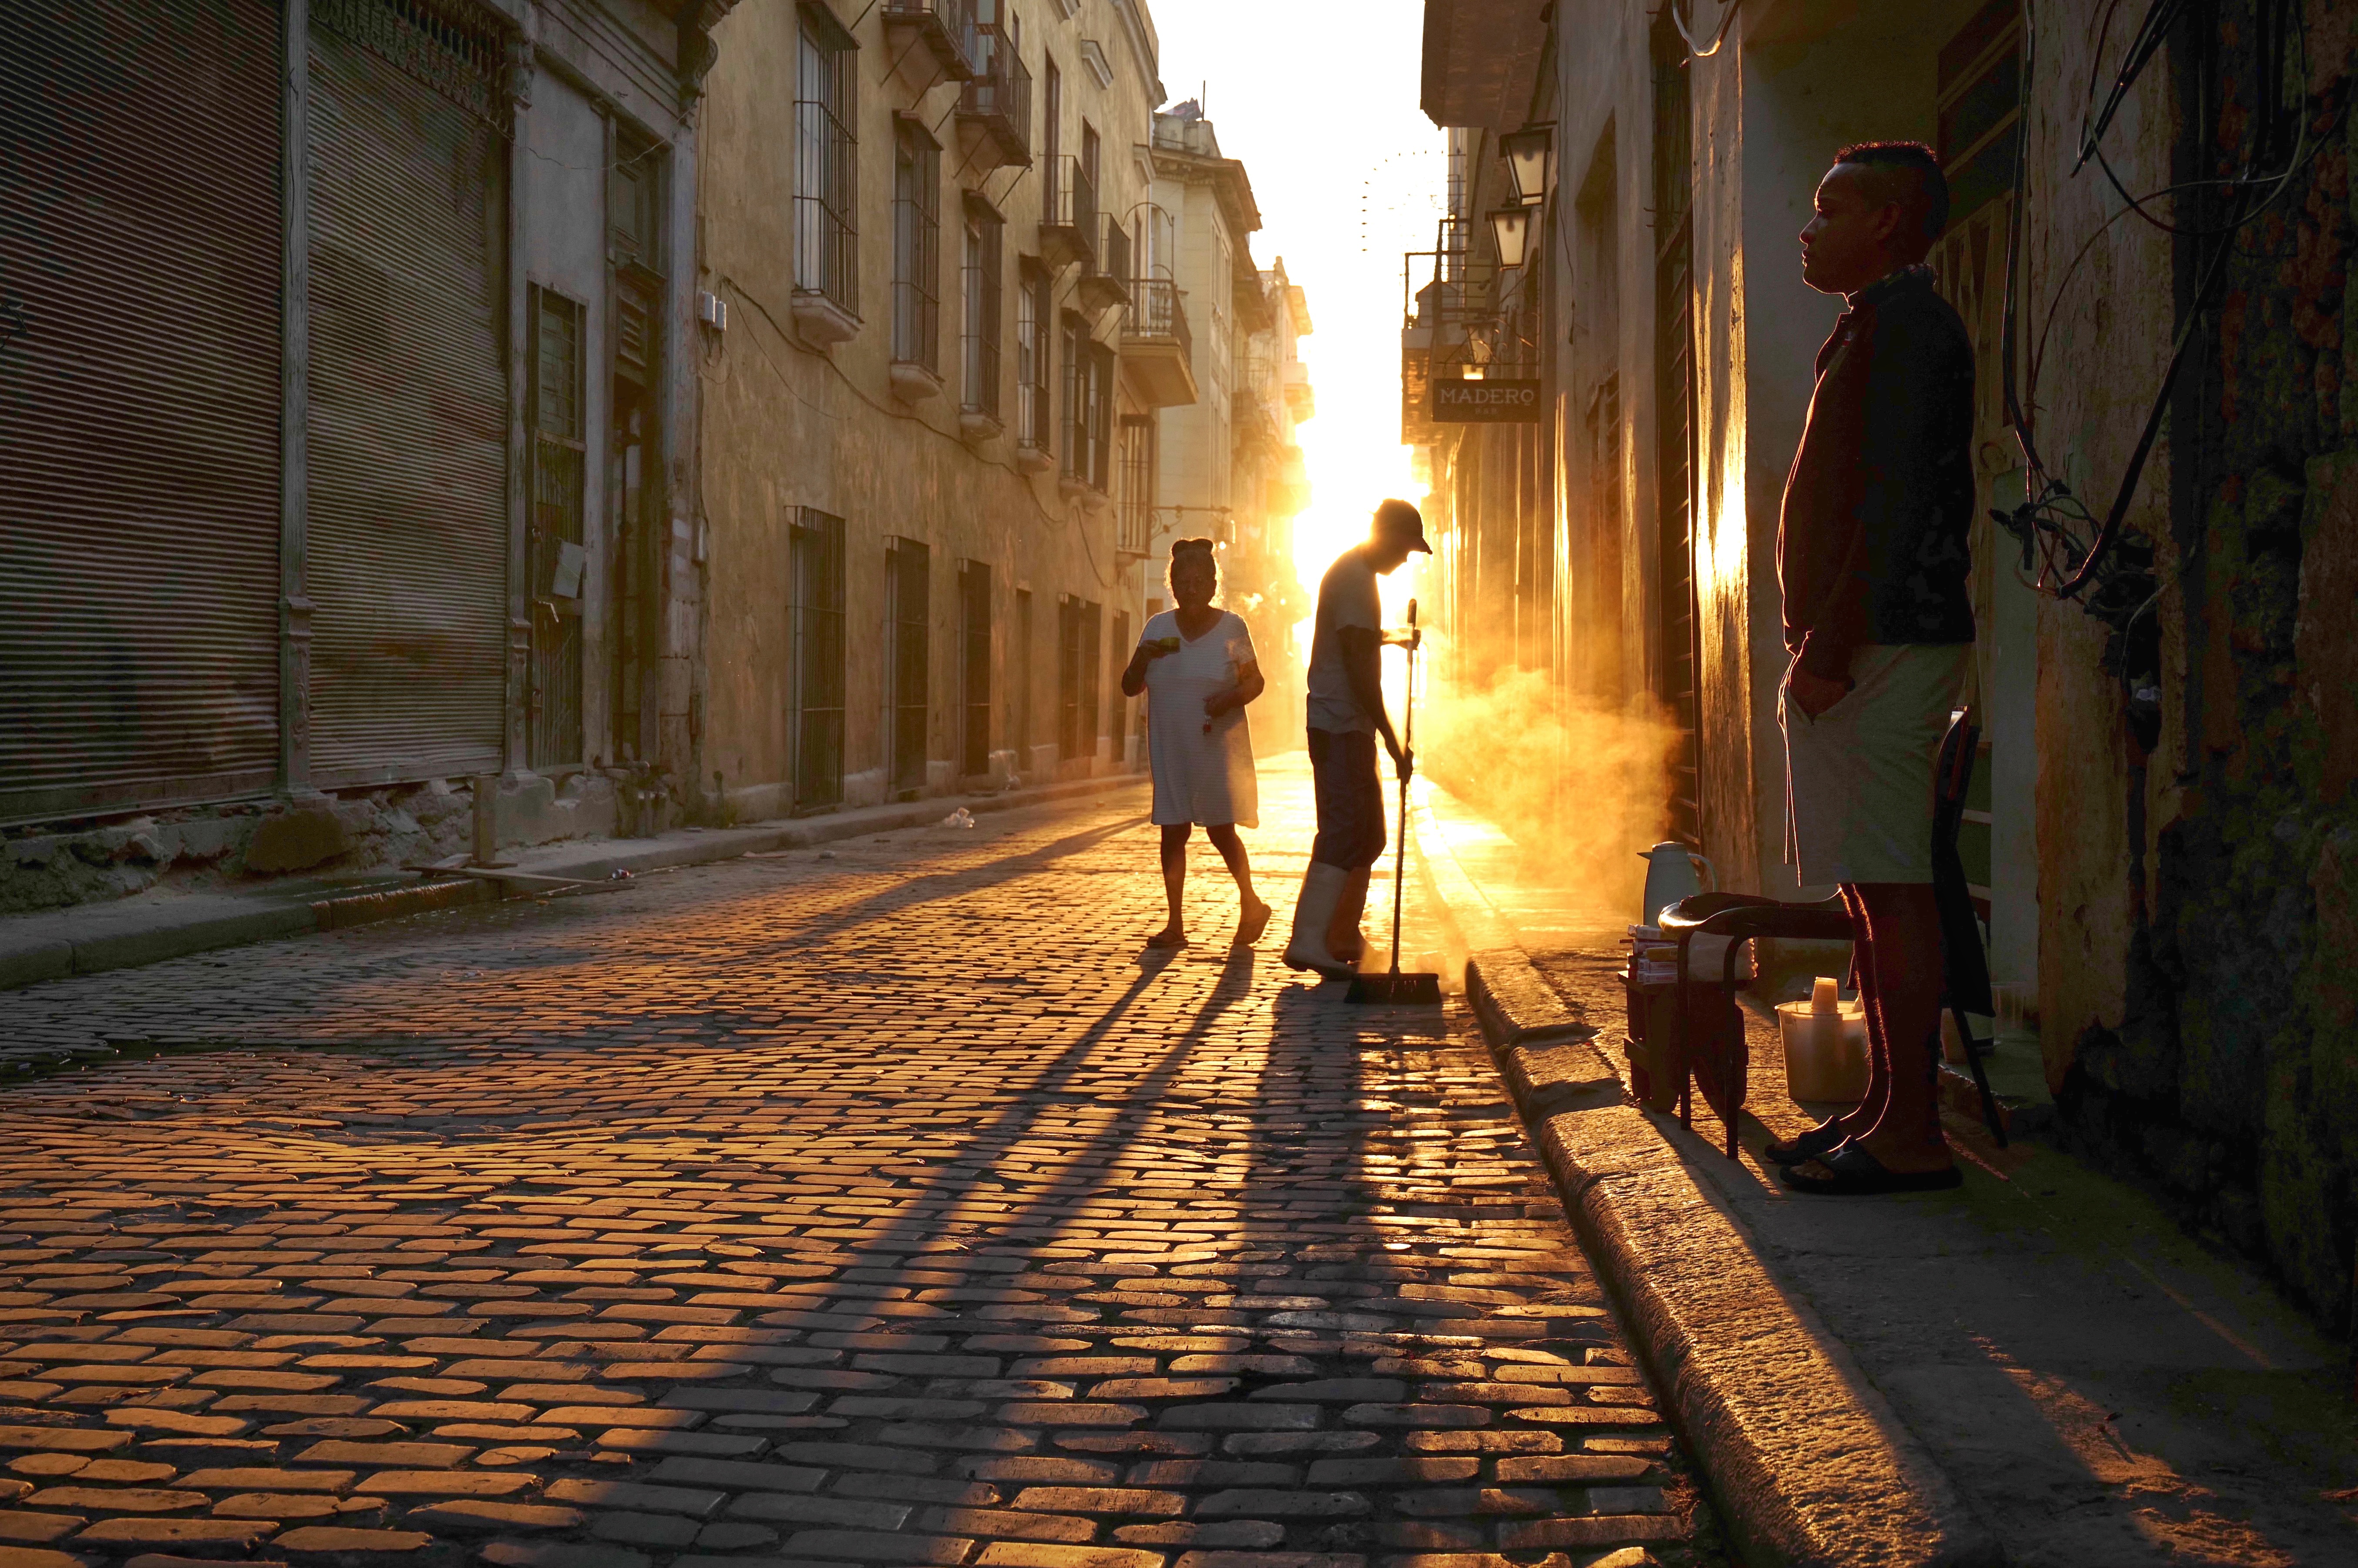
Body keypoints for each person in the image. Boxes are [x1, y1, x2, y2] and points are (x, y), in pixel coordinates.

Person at [1768, 141, 1977, 1196]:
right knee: (1867, 888)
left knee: (1892, 890)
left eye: (1828, 207)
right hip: (1867, 644)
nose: (1808, 228)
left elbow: (1888, 508)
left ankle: (1912, 1136)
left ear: (1888, 221)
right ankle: (1883, 1105)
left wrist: (1826, 646)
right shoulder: (1877, 326)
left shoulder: (1908, 332)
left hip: (1882, 643)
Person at [1283, 499, 1426, 979]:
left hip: (1349, 726)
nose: (1406, 560)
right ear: (1384, 534)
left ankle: (1341, 933)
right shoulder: (1351, 577)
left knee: (1369, 835)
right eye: (1405, 548)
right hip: (1338, 725)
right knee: (1344, 832)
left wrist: (1394, 636)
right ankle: (1307, 940)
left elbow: (1361, 638)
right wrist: (1390, 738)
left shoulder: (1360, 579)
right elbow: (1357, 666)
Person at [1121, 538, 1271, 949]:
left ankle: (1251, 903)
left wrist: (1228, 698)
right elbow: (1129, 686)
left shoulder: (1232, 628)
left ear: (1212, 585)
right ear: (1172, 584)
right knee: (1173, 831)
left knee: (1221, 831)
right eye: (1182, 581)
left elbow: (1255, 680)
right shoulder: (1157, 629)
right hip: (1171, 750)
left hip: (1215, 749)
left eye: (1199, 581)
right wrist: (1141, 659)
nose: (1190, 588)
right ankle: (1175, 925)